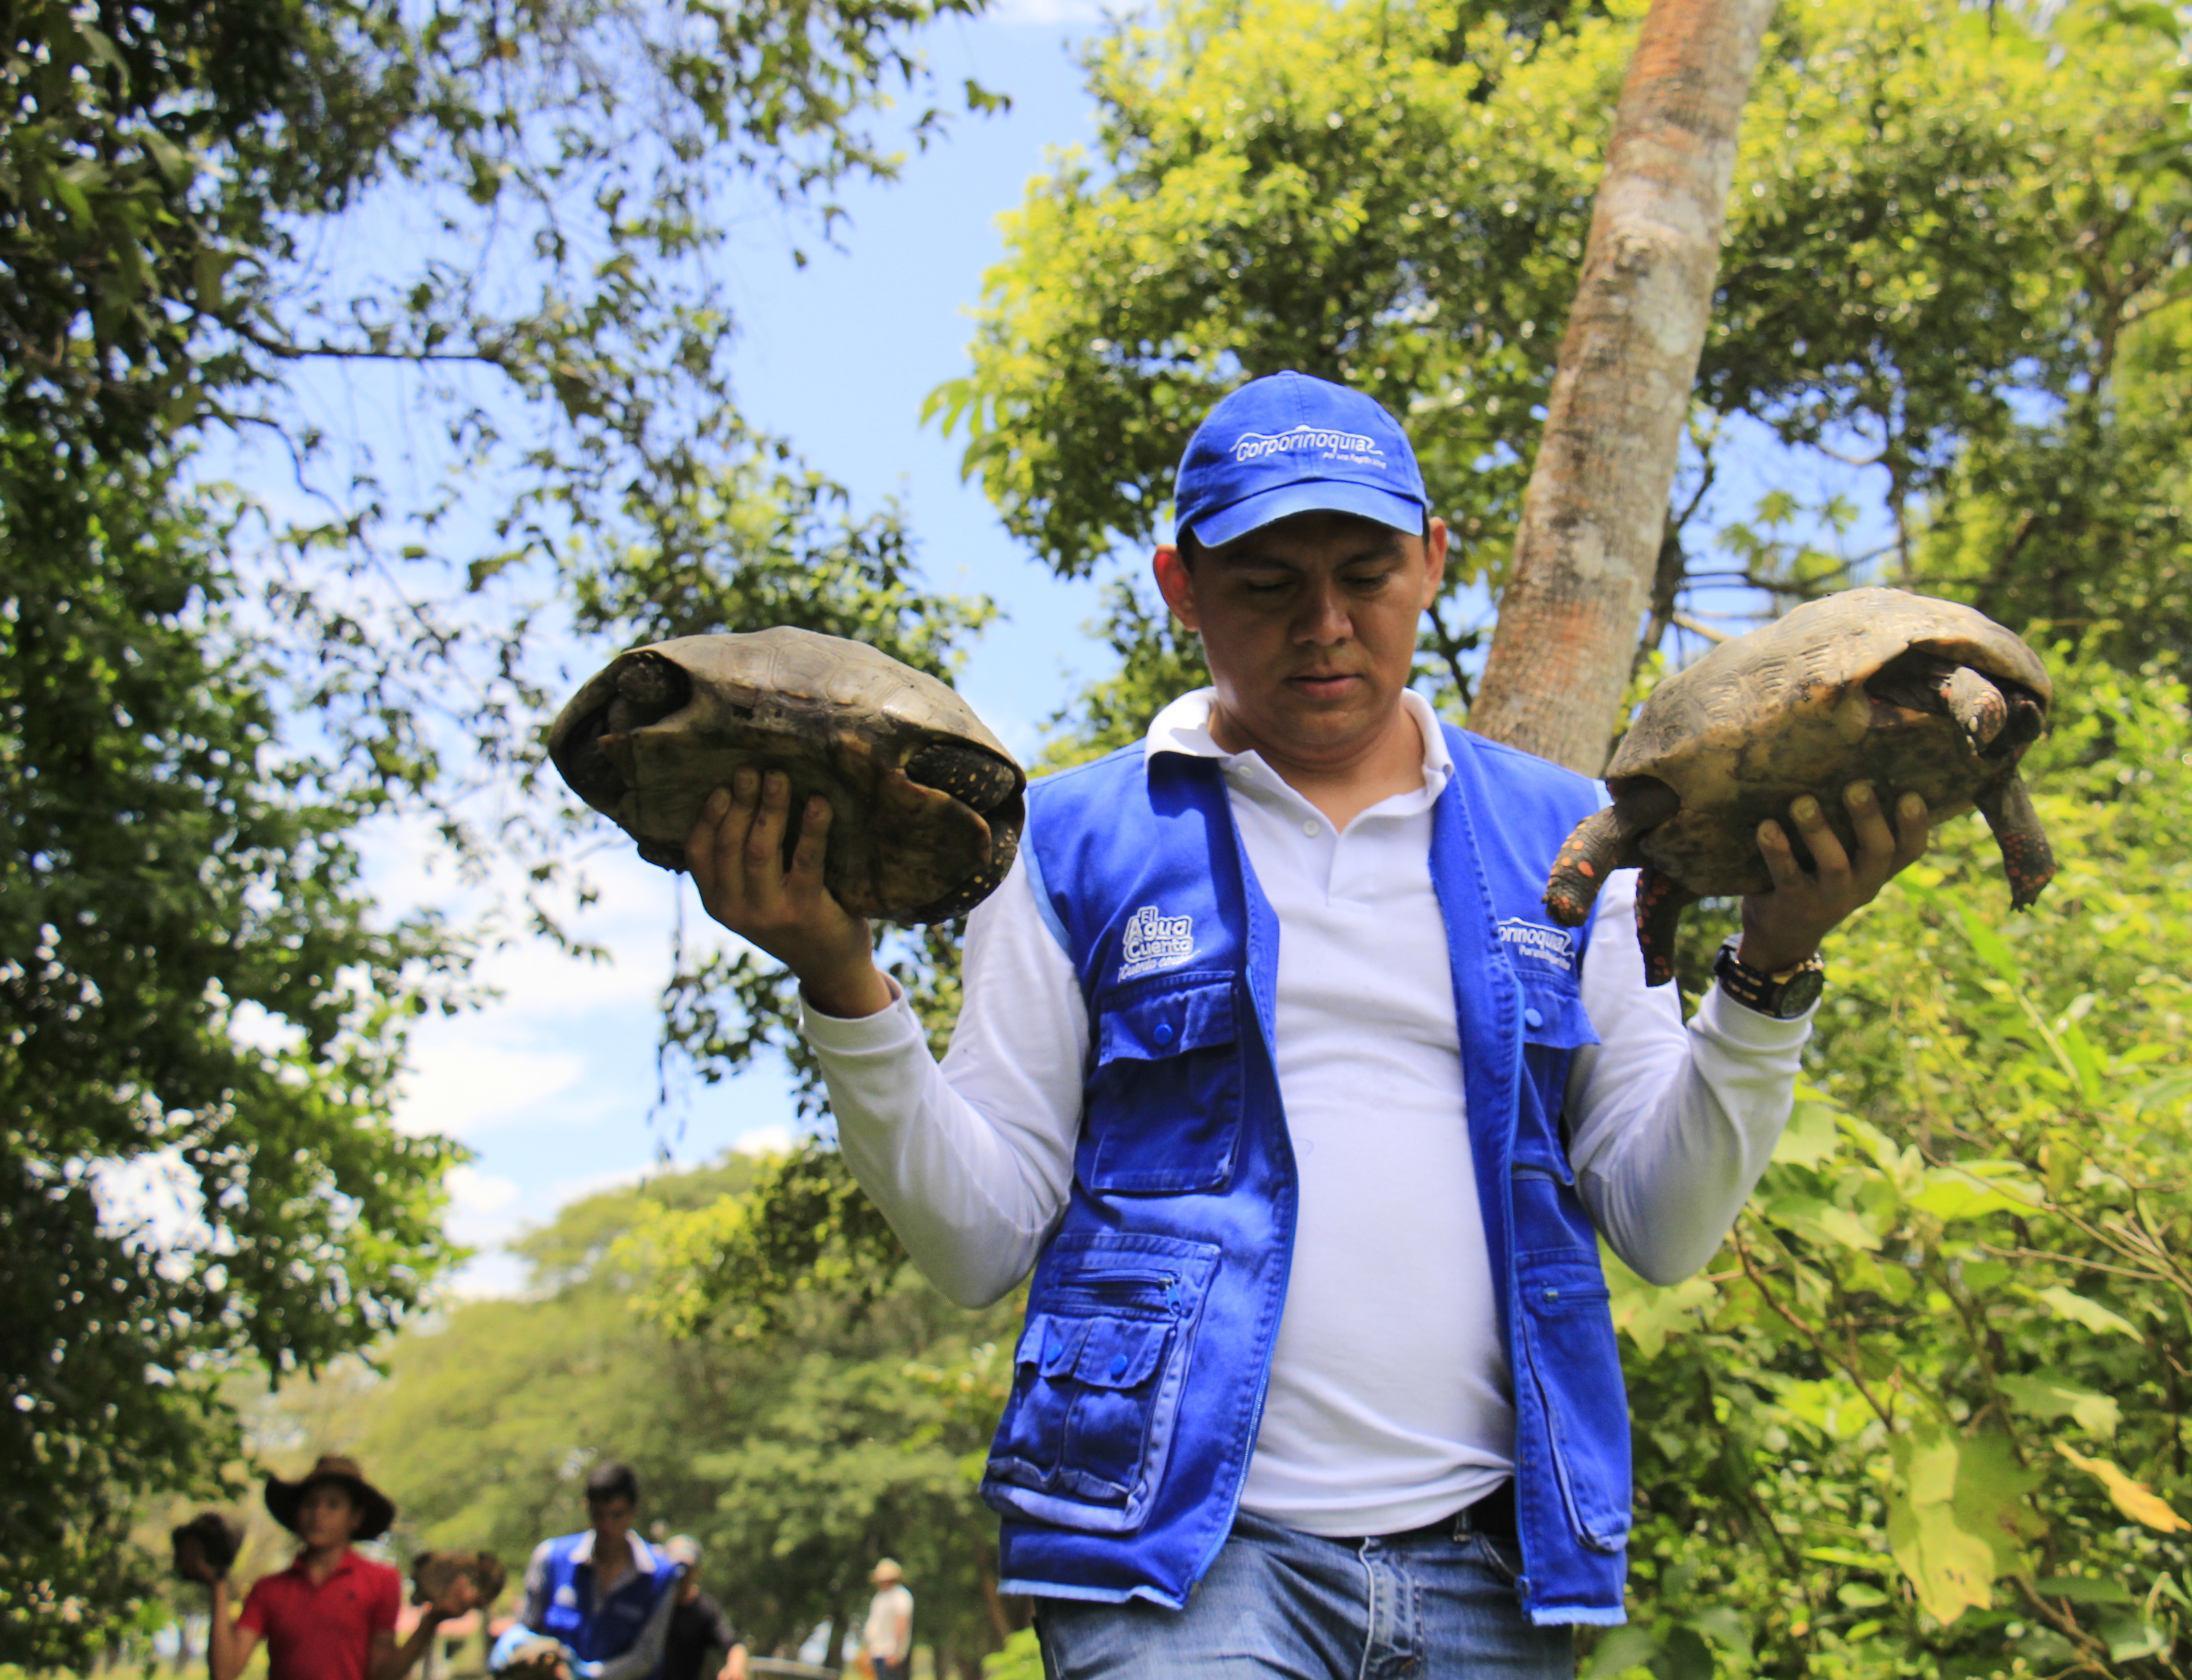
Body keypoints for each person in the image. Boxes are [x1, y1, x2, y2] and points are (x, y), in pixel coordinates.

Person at [687, 371, 1927, 1677]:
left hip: (1493, 1572)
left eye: (1366, 573)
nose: (1325, 626)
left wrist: (1771, 970)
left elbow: (1663, 1228)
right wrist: (842, 981)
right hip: (1170, 1566)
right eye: (1267, 584)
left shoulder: (1580, 842)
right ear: (1181, 587)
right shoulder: (1062, 843)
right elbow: (980, 1241)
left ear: (1434, 561)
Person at [203, 1455, 475, 1680]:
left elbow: (381, 1676)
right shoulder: (269, 1590)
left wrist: (430, 1622)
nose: (318, 1514)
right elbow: (225, 1673)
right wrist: (218, 1583)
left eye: (333, 1505)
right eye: (311, 1503)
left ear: (355, 1518)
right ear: (297, 1514)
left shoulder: (382, 1581)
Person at [491, 1462, 680, 1680]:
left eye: (617, 1515)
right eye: (599, 1515)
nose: (607, 1526)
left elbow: (647, 1655)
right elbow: (527, 1625)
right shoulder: (552, 1558)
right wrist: (515, 1639)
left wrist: (589, 1676)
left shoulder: (660, 1575)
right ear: (587, 1508)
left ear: (634, 1511)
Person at [653, 1537, 747, 1680]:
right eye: (675, 1568)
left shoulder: (704, 1609)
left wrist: (734, 1669)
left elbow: (734, 1645)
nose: (681, 1575)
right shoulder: (651, 1603)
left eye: (686, 1569)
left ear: (697, 1571)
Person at [859, 1561, 912, 1680]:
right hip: (878, 1652)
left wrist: (896, 1651)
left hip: (890, 1653)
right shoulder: (880, 1597)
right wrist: (870, 1649)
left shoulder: (901, 1596)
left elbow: (901, 1624)